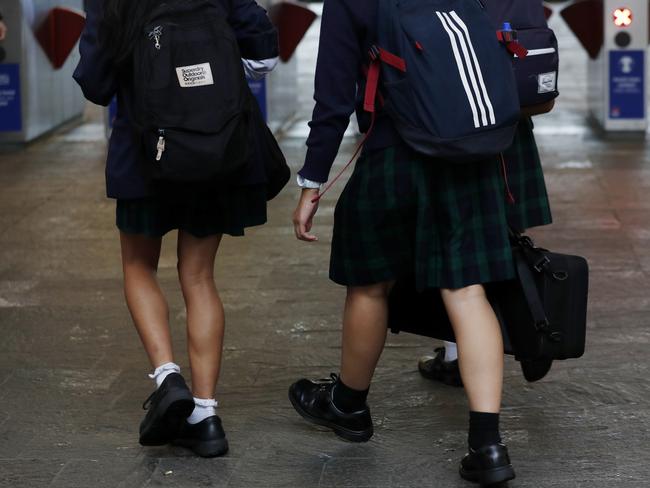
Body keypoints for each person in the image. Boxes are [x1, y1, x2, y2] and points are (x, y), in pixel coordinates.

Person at [289, 0, 518, 484]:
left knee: (370, 284)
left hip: (396, 152)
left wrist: (313, 182)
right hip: (470, 154)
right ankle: (488, 446)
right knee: (468, 290)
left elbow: (332, 95)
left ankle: (349, 405)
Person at [73, 0, 278, 458]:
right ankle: (206, 418)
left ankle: (168, 378)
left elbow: (94, 83)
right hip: (214, 148)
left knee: (138, 266)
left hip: (144, 153)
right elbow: (262, 50)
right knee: (200, 277)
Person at [419, 117, 554, 386]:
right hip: (505, 119)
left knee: (453, 251)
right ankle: (527, 323)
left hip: (449, 126)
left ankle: (462, 352)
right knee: (498, 231)